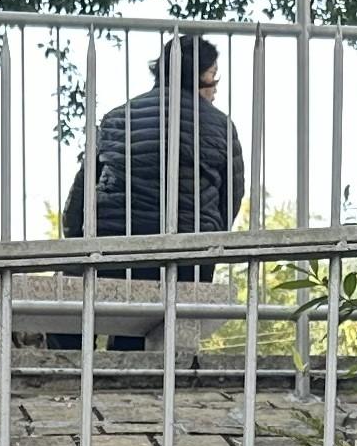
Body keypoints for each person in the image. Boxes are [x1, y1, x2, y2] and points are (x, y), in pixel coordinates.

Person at [63, 33, 248, 279]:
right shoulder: (222, 126)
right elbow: (231, 197)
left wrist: (77, 245)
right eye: (213, 76)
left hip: (113, 246)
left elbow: (82, 189)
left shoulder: (118, 117)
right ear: (199, 77)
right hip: (190, 252)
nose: (215, 89)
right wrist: (211, 240)